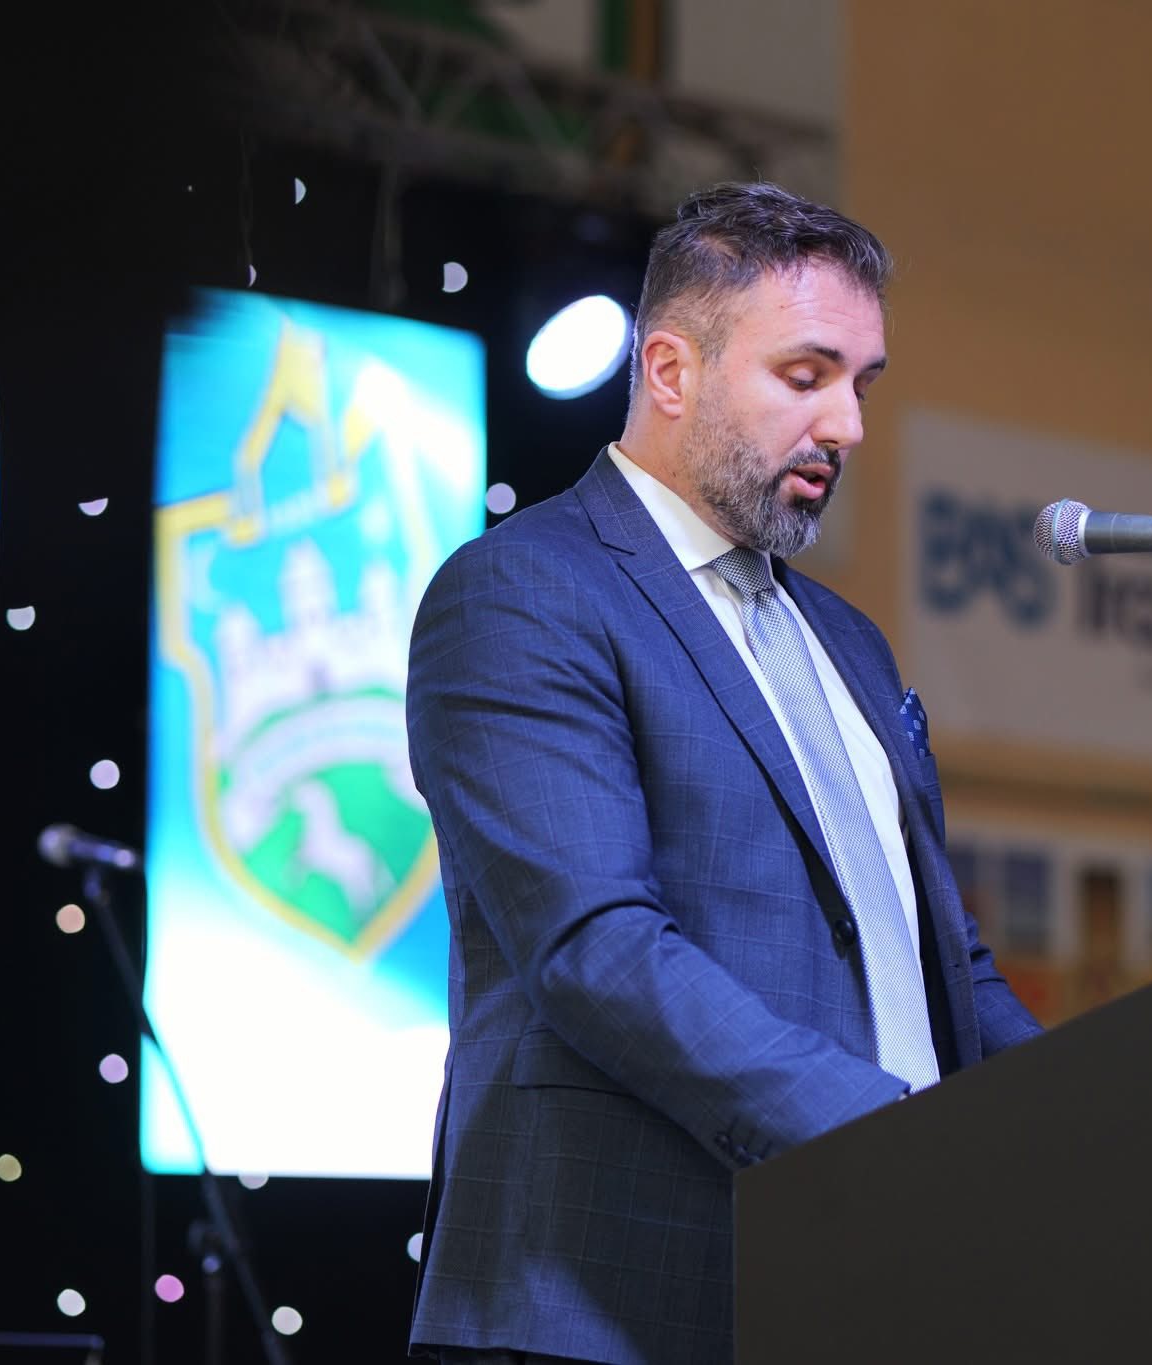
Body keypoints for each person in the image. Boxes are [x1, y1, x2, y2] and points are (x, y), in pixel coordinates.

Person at [404, 181, 1044, 1365]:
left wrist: (1086, 1122)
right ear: (669, 371)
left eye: (862, 384)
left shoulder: (849, 643)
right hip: (604, 1307)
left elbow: (940, 962)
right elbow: (596, 950)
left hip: (864, 1284)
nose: (846, 425)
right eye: (805, 376)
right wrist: (889, 1134)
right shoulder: (523, 591)